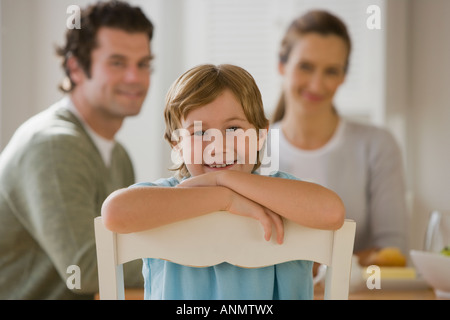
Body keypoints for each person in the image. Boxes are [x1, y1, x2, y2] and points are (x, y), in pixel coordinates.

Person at [101, 64, 345, 300]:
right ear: (177, 144)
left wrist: (222, 178)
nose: (218, 146)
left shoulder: (279, 193)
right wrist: (224, 198)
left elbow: (332, 212)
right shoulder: (170, 196)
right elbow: (114, 212)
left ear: (261, 135)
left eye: (233, 129)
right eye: (199, 132)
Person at [0, 1, 154, 299]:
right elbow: (86, 270)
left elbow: (123, 254)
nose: (135, 78)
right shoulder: (54, 146)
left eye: (143, 64)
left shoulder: (118, 155)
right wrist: (197, 257)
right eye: (117, 63)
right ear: (76, 68)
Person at [271, 10, 408, 265]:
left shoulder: (377, 146)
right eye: (306, 67)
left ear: (343, 77)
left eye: (331, 71)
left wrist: (319, 273)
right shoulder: (253, 150)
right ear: (282, 65)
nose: (316, 84)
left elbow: (393, 251)